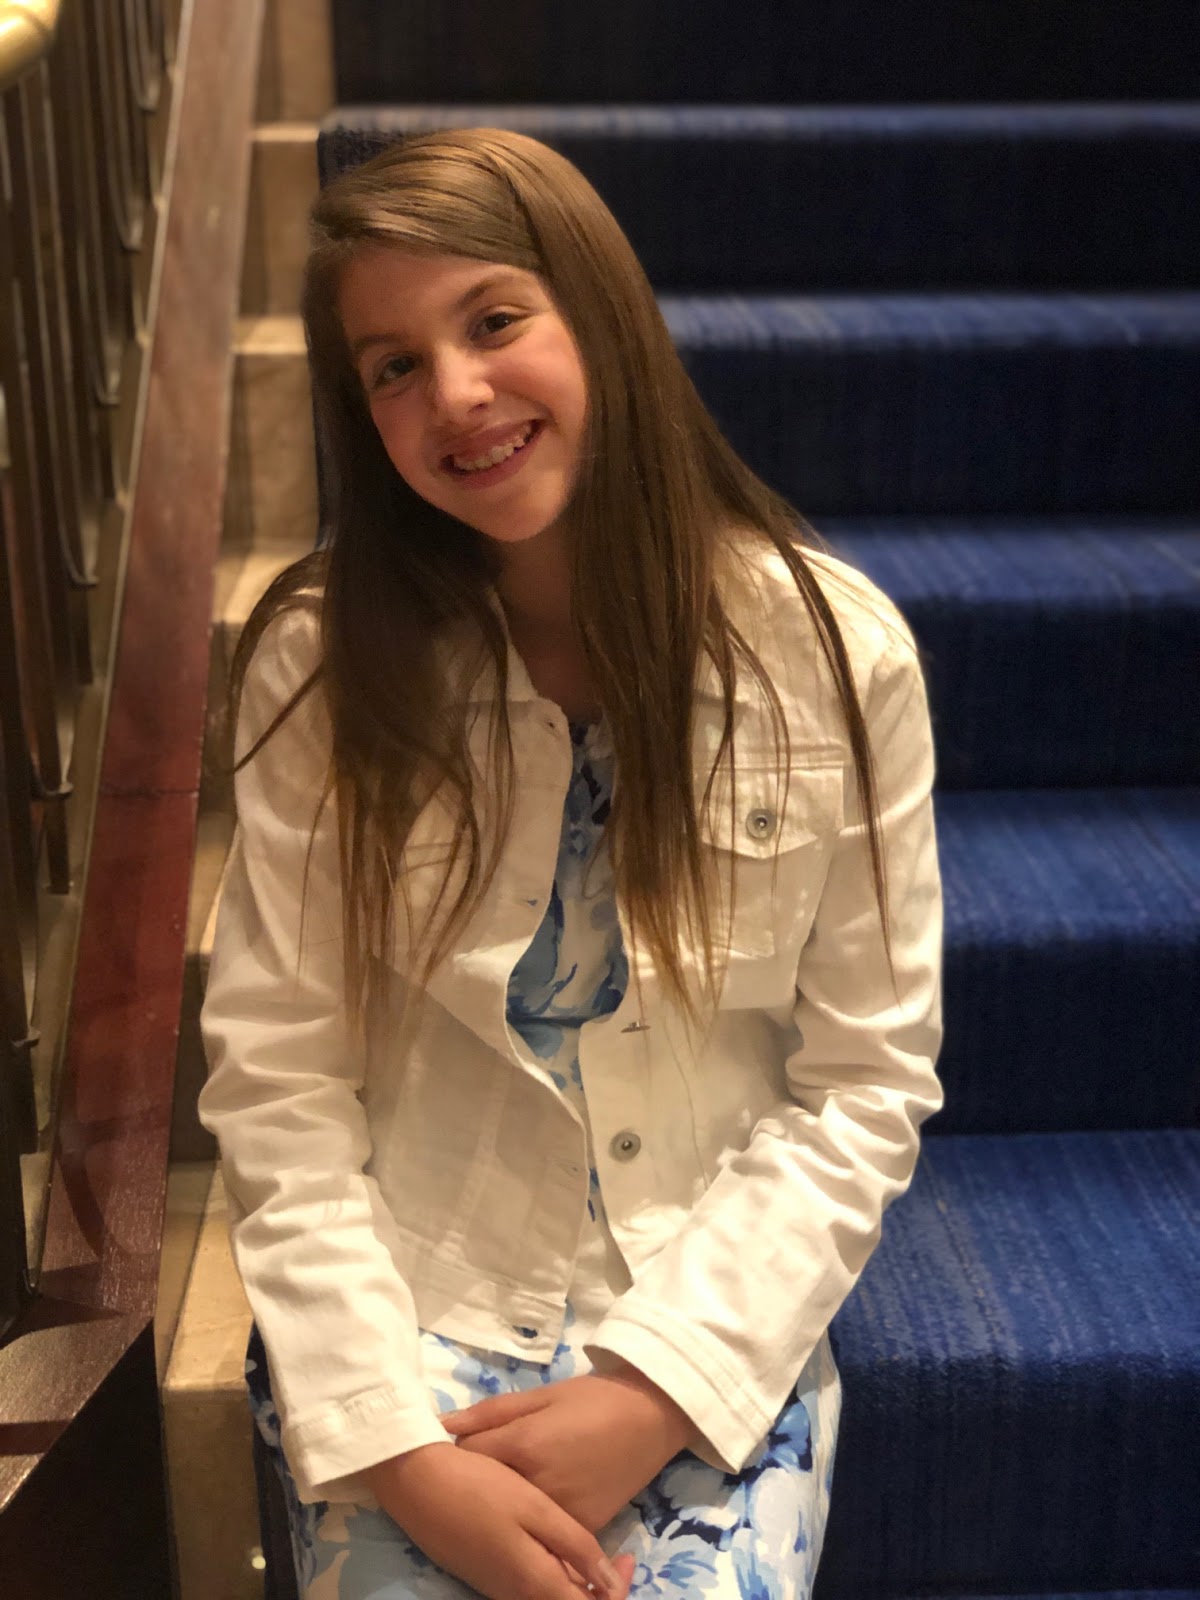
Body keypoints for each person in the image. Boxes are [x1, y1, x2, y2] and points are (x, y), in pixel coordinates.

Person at [199, 127, 943, 1600]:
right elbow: (280, 1084)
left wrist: (656, 1390)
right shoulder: (322, 661)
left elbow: (866, 1081)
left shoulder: (833, 653)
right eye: (392, 366)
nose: (455, 395)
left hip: (696, 1310)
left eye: (493, 320)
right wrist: (399, 1451)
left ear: (597, 316)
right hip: (412, 1313)